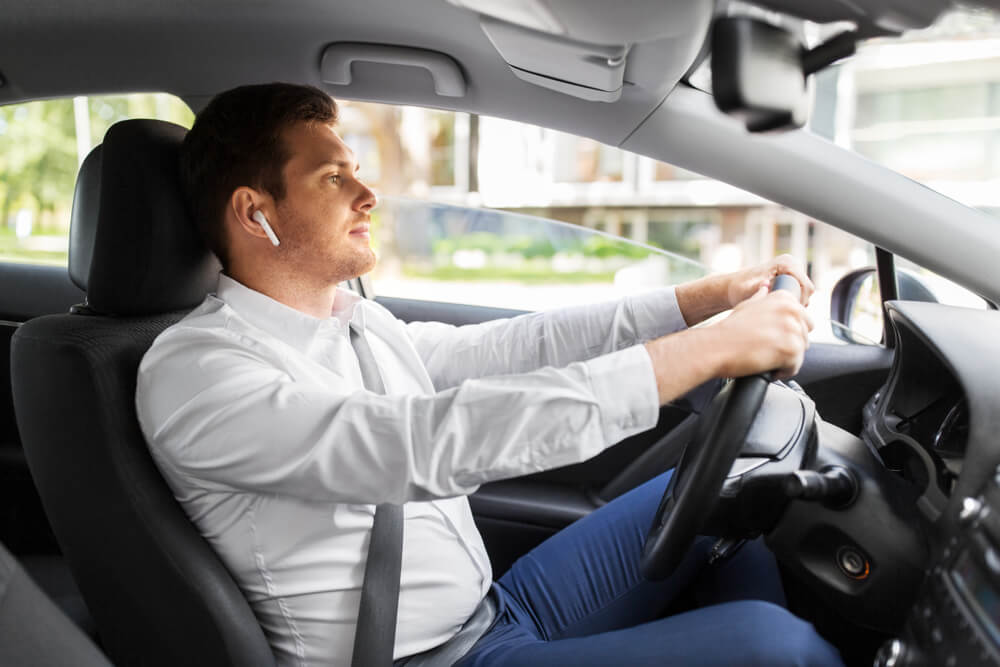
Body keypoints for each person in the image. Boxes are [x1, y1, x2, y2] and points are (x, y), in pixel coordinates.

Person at [135, 83, 843, 667]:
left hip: (500, 608)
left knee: (735, 499)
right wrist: (711, 353)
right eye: (333, 177)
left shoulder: (353, 322)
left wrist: (703, 302)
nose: (367, 192)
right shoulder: (196, 374)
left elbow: (519, 347)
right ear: (255, 214)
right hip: (424, 659)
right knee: (775, 646)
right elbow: (422, 442)